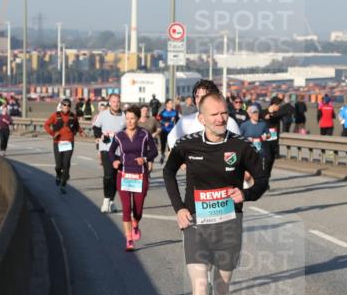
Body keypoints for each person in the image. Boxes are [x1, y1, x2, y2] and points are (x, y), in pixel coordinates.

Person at [163, 93, 269, 295]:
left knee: (221, 287)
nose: (221, 118)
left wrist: (245, 194)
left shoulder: (241, 146)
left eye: (224, 113)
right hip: (196, 225)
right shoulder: (187, 145)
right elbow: (168, 172)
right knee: (199, 290)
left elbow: (262, 180)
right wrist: (179, 209)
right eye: (214, 115)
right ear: (202, 117)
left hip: (228, 224)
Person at [109, 106, 159, 251]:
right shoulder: (119, 135)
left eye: (132, 118)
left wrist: (145, 158)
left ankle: (135, 223)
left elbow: (154, 151)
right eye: (128, 118)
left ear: (137, 119)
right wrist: (114, 161)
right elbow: (111, 151)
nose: (130, 121)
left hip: (140, 175)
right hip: (124, 174)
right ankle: (129, 239)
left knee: (138, 209)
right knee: (126, 209)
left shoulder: (144, 134)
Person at [167, 80, 241, 149]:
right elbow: (171, 138)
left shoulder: (228, 122)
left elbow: (238, 147)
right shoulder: (186, 121)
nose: (199, 100)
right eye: (197, 96)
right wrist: (182, 158)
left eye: (204, 96)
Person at [92, 94, 125, 211]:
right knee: (108, 174)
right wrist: (101, 135)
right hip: (106, 148)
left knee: (116, 177)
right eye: (114, 101)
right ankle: (106, 201)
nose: (116, 104)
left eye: (118, 101)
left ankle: (111, 201)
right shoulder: (103, 115)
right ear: (109, 103)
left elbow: (129, 131)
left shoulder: (124, 116)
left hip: (119, 151)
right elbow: (96, 128)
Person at [45, 98, 81, 193]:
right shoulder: (55, 115)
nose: (66, 107)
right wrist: (53, 134)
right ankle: (58, 174)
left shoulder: (73, 116)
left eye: (68, 105)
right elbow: (46, 125)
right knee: (58, 165)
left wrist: (81, 132)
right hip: (58, 143)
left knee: (66, 164)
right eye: (64, 105)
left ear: (70, 107)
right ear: (61, 105)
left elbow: (77, 126)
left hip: (69, 142)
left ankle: (64, 184)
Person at [262, 96, 293, 176]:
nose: (279, 106)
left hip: (274, 140)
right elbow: (261, 115)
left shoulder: (278, 113)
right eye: (278, 105)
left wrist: (272, 115)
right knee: (268, 158)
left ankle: (267, 175)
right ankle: (264, 176)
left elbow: (288, 110)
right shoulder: (265, 112)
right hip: (266, 139)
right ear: (273, 105)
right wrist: (268, 113)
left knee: (271, 159)